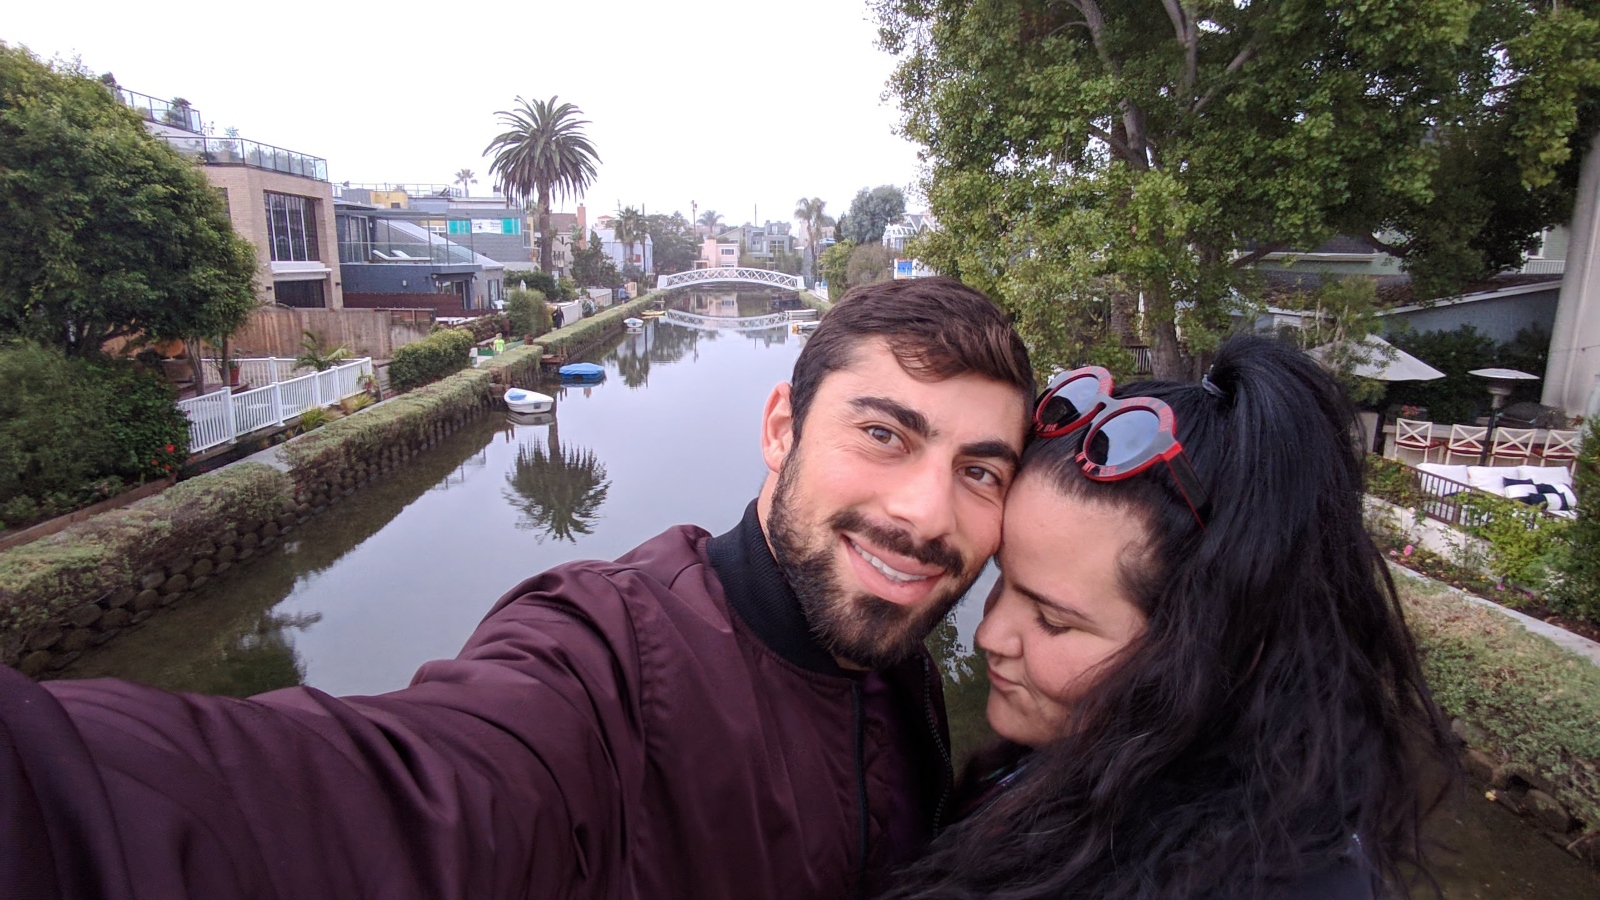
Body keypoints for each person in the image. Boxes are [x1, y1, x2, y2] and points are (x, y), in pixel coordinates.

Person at [0, 277, 1034, 900]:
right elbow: (392, 803)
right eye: (882, 433)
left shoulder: (888, 661)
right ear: (780, 429)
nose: (925, 514)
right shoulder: (605, 663)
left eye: (980, 471)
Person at [882, 335, 1455, 900]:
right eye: (1002, 578)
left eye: (1053, 620)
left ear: (1221, 644)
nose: (988, 634)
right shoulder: (1082, 762)